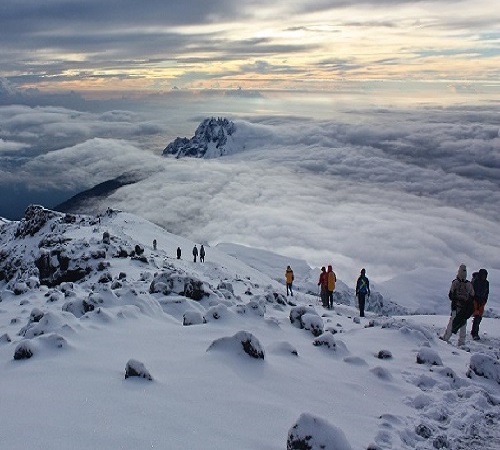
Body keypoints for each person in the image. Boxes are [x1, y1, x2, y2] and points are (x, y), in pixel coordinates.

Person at [441, 264, 475, 346]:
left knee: (452, 322)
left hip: (456, 307)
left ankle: (446, 338)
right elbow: (472, 295)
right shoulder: (469, 284)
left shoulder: (455, 283)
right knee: (463, 324)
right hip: (465, 309)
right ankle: (461, 342)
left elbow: (451, 295)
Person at [471, 268, 489, 340]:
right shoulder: (475, 281)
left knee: (478, 318)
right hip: (475, 301)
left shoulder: (486, 283)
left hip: (481, 302)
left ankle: (474, 333)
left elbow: (487, 292)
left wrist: (484, 300)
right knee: (476, 317)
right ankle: (474, 333)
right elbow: (472, 291)